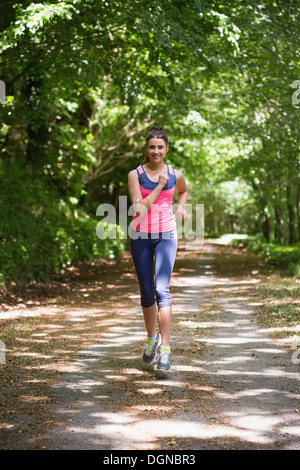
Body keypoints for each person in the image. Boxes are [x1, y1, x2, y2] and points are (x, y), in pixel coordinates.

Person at [128, 125, 188, 371]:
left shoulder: (176, 174)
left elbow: (183, 191)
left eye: (160, 147)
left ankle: (165, 349)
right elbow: (139, 208)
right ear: (147, 148)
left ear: (167, 148)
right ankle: (151, 340)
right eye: (152, 147)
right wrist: (160, 186)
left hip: (166, 235)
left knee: (162, 289)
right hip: (140, 235)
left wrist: (181, 206)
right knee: (146, 290)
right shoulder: (136, 174)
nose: (156, 151)